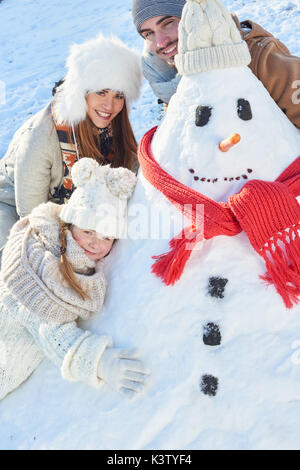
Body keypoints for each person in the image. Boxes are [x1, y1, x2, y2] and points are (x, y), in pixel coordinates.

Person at [0, 157, 150, 401]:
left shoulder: (75, 258)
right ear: (68, 225)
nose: (95, 243)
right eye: (88, 231)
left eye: (107, 237)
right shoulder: (38, 267)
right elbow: (51, 332)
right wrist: (100, 362)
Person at [0, 33, 142, 262]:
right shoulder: (41, 135)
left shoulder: (115, 130)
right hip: (11, 206)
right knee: (18, 258)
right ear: (81, 91)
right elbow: (33, 217)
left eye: (119, 96)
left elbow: (130, 184)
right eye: (101, 92)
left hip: (77, 219)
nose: (110, 105)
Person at [131, 0, 300, 128]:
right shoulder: (168, 76)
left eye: (168, 23)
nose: (160, 42)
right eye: (148, 34)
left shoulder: (260, 59)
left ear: (197, 17)